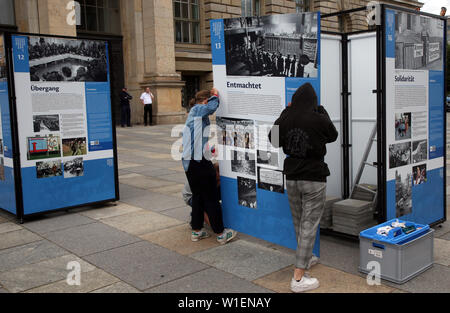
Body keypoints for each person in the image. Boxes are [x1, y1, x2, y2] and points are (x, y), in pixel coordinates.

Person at [269, 83, 338, 293]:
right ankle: (298, 278)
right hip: (314, 177)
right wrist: (322, 110)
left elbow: (273, 140)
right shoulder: (318, 118)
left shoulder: (287, 116)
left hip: (291, 176)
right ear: (313, 102)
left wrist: (286, 111)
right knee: (309, 224)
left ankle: (305, 257)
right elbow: (333, 135)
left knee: (300, 222)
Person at [182, 88, 237, 245]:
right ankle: (221, 234)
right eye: (209, 100)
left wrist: (208, 150)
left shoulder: (195, 114)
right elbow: (211, 107)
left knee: (198, 198)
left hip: (191, 162)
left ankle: (196, 231)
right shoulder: (199, 109)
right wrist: (216, 95)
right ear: (204, 100)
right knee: (211, 198)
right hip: (198, 163)